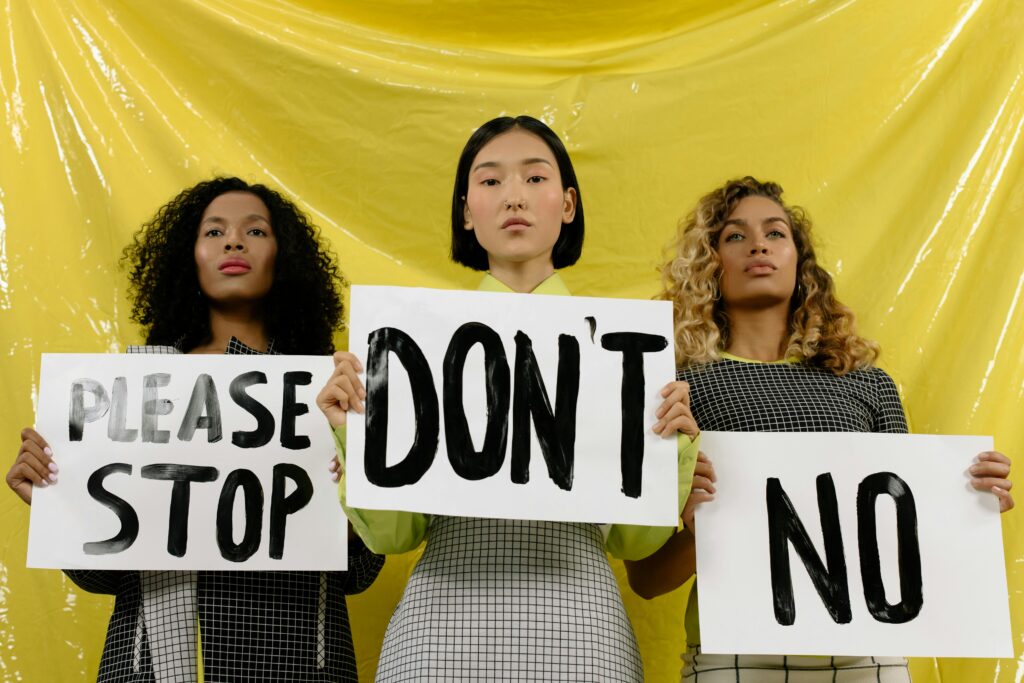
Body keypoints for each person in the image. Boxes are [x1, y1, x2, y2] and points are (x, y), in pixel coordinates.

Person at [317, 115, 700, 681]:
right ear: (466, 212)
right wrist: (356, 429)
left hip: (583, 632)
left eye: (535, 179)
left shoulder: (625, 351)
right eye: (491, 181)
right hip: (437, 636)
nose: (514, 196)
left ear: (567, 204)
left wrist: (675, 446)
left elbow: (633, 542)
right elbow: (396, 533)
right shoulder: (415, 343)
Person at [624, 176, 1014, 682]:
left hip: (867, 653)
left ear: (800, 261)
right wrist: (706, 532)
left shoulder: (868, 386)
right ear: (709, 263)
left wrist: (970, 505)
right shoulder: (674, 390)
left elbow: (906, 540)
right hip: (737, 653)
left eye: (775, 233)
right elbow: (647, 579)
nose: (758, 245)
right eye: (735, 236)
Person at [7, 176, 384, 682]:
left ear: (284, 256)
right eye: (214, 232)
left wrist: (356, 480)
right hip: (151, 665)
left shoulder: (333, 392)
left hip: (298, 662)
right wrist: (61, 498)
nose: (233, 242)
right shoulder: (130, 393)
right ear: (189, 257)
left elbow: (359, 572)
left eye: (255, 231)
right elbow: (103, 576)